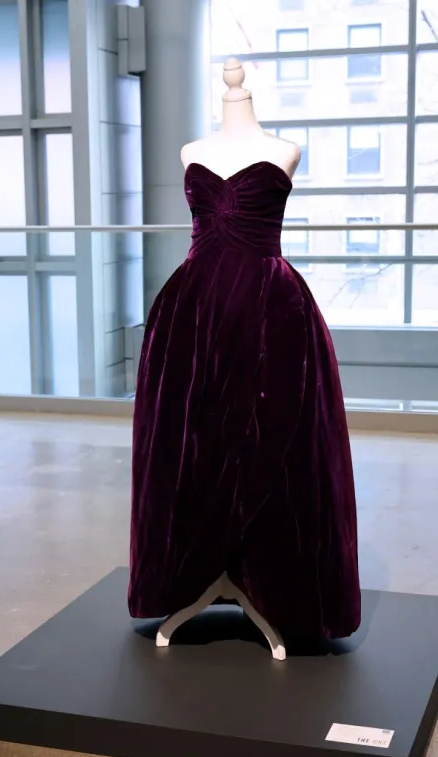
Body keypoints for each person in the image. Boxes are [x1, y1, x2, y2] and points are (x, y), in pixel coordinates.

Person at [127, 59, 361, 641]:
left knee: (274, 438)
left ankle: (268, 575)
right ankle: (197, 569)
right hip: (193, 310)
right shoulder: (190, 149)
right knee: (193, 440)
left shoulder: (286, 148)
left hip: (270, 306)